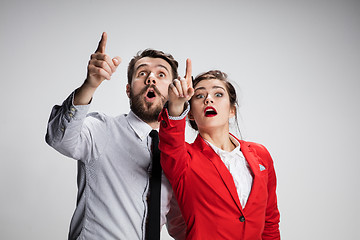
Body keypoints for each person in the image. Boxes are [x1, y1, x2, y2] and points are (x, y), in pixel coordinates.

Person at [45, 32, 186, 240]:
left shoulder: (176, 156)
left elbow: (180, 225)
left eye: (161, 74)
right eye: (142, 73)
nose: (151, 78)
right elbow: (59, 137)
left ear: (173, 90)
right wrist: (89, 85)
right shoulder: (102, 130)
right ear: (128, 90)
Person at [158, 67, 281, 239]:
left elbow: (270, 221)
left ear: (232, 110)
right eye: (200, 96)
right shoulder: (184, 158)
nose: (208, 99)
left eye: (218, 94)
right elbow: (170, 141)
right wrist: (177, 105)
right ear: (191, 114)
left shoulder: (260, 154)